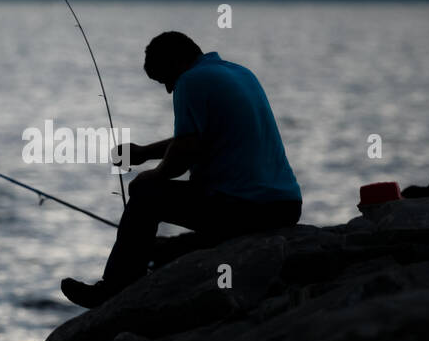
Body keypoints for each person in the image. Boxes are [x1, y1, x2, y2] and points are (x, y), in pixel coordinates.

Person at [60, 31, 302, 309]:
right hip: (284, 206)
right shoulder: (237, 73)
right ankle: (156, 256)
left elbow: (184, 154)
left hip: (244, 208)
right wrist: (143, 153)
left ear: (176, 61)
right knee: (163, 251)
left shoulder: (191, 81)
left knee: (145, 193)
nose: (168, 90)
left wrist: (154, 175)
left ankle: (114, 289)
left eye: (165, 80)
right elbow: (201, 138)